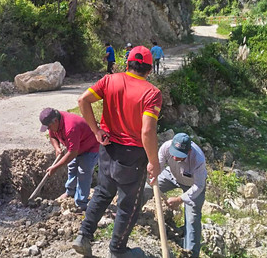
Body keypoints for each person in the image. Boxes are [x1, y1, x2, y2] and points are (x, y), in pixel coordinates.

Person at [72, 46, 163, 258]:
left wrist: (96, 131)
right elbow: (147, 131)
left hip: (107, 148)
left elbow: (82, 100)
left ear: (127, 64)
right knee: (128, 204)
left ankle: (84, 236)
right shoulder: (152, 93)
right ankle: (118, 250)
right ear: (149, 70)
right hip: (133, 156)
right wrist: (153, 162)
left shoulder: (109, 80)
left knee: (103, 192)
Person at [144, 133, 207, 257]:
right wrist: (151, 175)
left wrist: (180, 199)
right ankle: (132, 216)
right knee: (146, 189)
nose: (175, 158)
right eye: (174, 153)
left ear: (188, 151)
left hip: (192, 184)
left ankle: (190, 253)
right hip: (171, 175)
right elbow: (158, 167)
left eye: (179, 156)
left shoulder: (198, 159)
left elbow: (198, 186)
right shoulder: (166, 147)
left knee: (192, 218)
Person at [38, 108, 100, 211]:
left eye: (49, 127)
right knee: (72, 167)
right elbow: (52, 137)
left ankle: (81, 203)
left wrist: (55, 167)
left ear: (55, 121)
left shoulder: (70, 127)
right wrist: (57, 148)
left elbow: (72, 153)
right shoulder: (54, 123)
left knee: (83, 173)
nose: (49, 129)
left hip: (90, 147)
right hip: (76, 147)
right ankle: (70, 192)